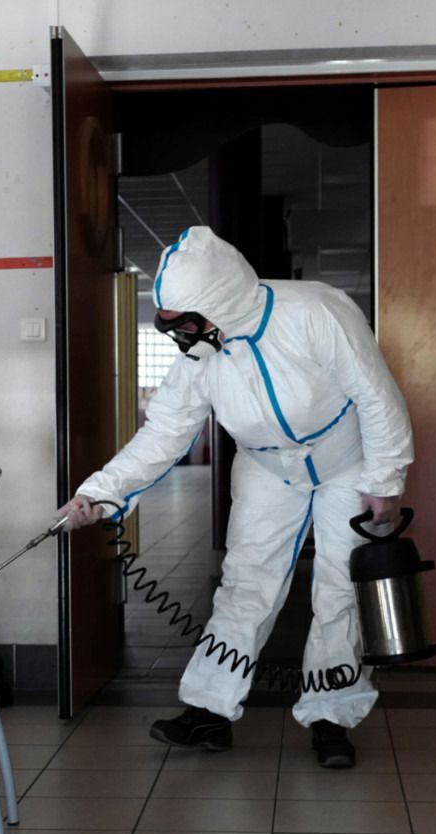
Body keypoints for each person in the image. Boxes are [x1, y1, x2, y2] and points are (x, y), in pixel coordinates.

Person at [58, 226, 413, 768]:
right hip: (268, 468)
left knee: (340, 588)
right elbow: (164, 432)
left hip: (347, 464)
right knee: (245, 584)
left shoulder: (315, 312)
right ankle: (209, 711)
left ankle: (331, 718)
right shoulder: (203, 355)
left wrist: (384, 481)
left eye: (185, 324)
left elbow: (377, 394)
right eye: (171, 326)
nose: (181, 338)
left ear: (217, 303)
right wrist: (99, 493)